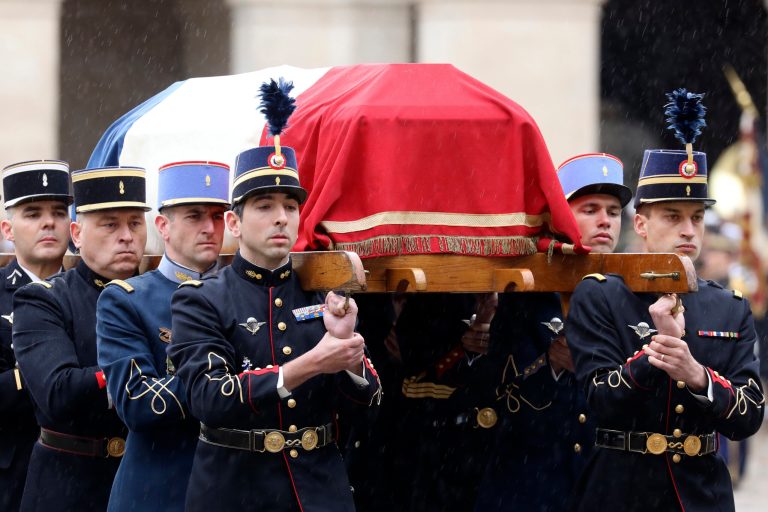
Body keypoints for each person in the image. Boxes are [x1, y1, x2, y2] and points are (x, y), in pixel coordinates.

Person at [168, 127, 382, 509]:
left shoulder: (322, 296)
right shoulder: (200, 300)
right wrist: (312, 362)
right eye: (264, 206)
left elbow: (370, 402)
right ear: (234, 223)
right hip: (237, 490)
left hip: (319, 490)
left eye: (291, 206)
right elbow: (209, 398)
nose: (281, 218)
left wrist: (349, 355)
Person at [567, 145, 765, 509]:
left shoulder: (730, 307)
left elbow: (749, 416)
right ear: (641, 224)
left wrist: (696, 375)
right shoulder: (600, 295)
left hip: (703, 496)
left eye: (697, 217)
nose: (688, 230)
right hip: (620, 493)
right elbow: (602, 400)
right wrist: (657, 352)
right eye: (672, 217)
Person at [475, 153, 632, 511]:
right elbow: (491, 384)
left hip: (601, 483)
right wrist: (551, 364)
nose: (605, 221)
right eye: (589, 209)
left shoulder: (633, 294)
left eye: (613, 211)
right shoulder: (525, 291)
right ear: (561, 216)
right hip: (529, 482)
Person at [13, 166, 149, 511]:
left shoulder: (169, 297)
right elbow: (58, 392)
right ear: (76, 233)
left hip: (146, 479)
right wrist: (132, 372)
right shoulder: (45, 299)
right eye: (110, 224)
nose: (126, 236)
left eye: (135, 222)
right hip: (69, 482)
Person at [96, 161, 230, 511]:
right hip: (159, 490)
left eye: (218, 216)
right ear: (162, 225)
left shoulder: (241, 294)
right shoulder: (126, 298)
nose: (209, 228)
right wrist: (222, 385)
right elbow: (138, 403)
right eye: (194, 216)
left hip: (233, 487)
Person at [0, 160, 72, 511]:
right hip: (13, 471)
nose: (49, 222)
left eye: (59, 212)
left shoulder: (98, 294)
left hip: (82, 471)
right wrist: (51, 375)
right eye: (32, 213)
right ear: (7, 229)